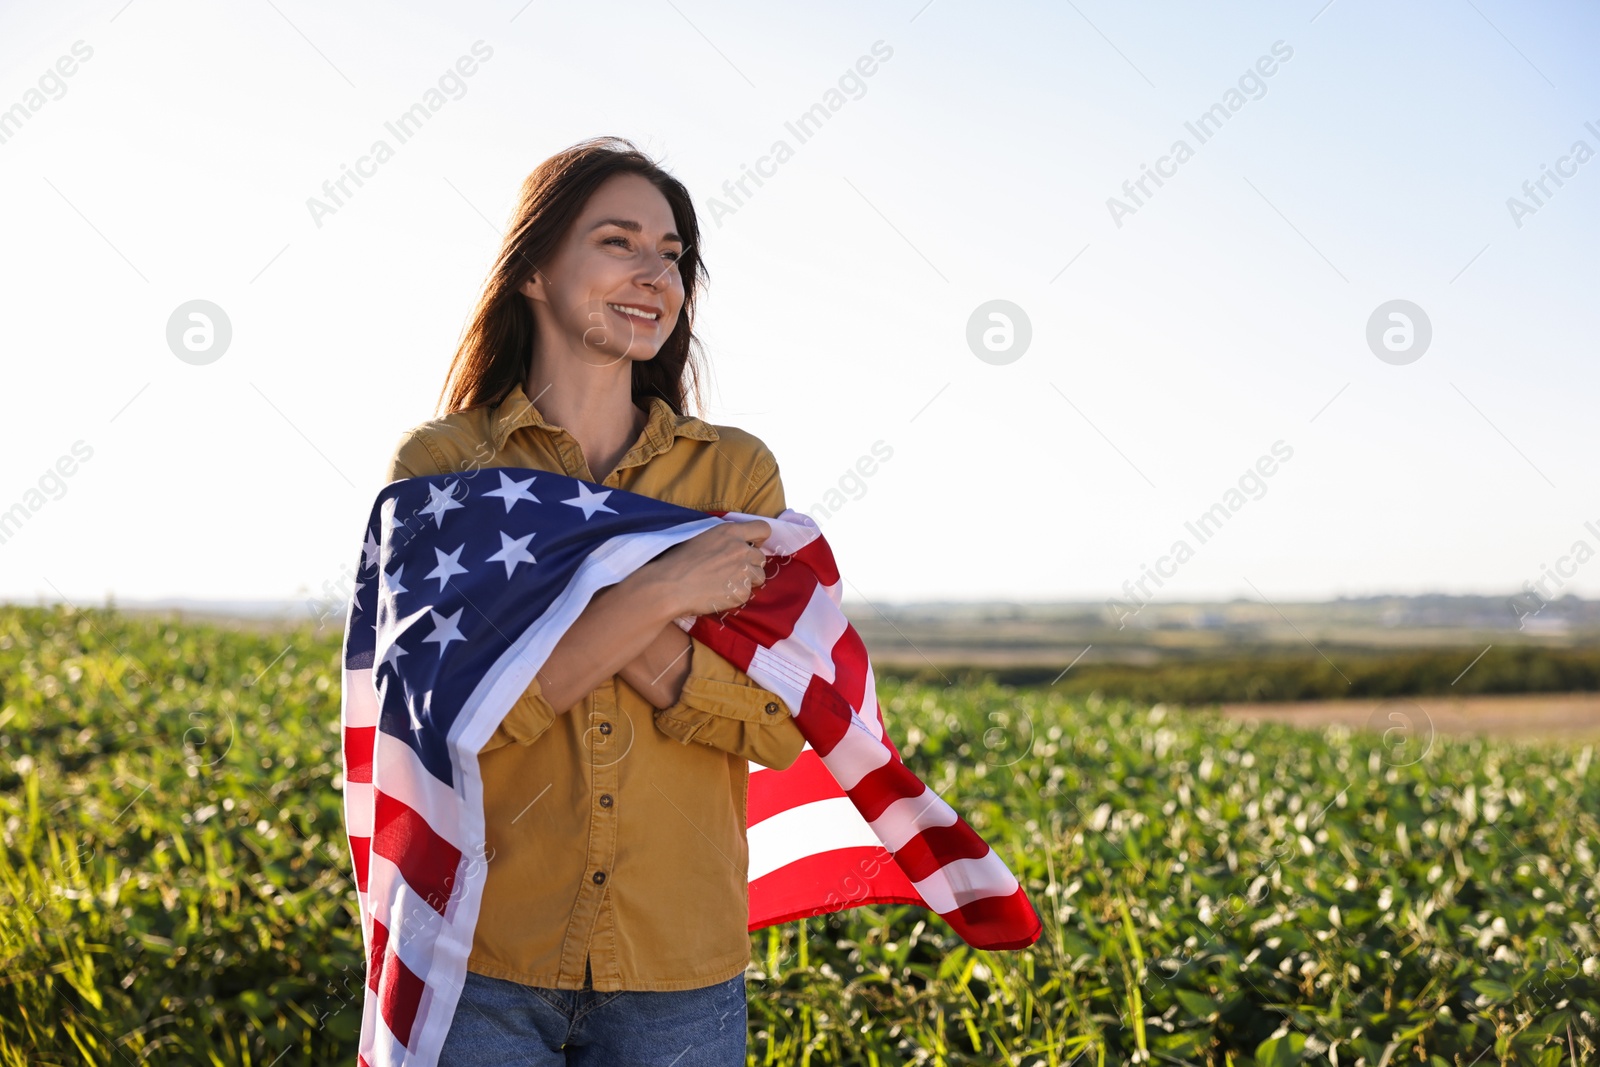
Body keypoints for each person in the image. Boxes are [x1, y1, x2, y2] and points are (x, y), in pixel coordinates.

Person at [381, 136, 807, 1066]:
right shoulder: (445, 470)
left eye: (673, 254)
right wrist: (660, 592)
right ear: (532, 268)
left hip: (679, 971)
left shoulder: (734, 472)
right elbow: (449, 724)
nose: (656, 273)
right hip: (479, 958)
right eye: (619, 241)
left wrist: (546, 639)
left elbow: (776, 720)